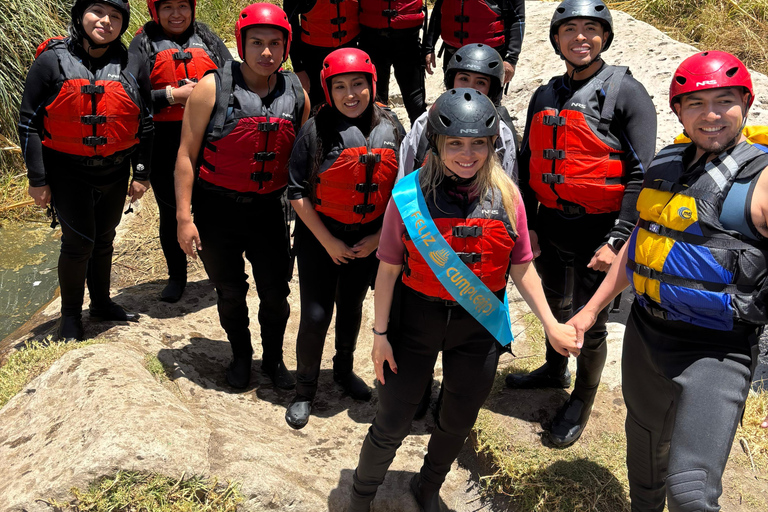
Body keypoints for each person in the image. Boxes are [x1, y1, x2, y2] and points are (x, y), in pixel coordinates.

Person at [347, 89, 580, 511]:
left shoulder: (508, 196)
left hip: (477, 329)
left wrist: (551, 323)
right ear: (436, 144)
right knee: (393, 419)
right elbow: (387, 270)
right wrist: (379, 335)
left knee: (458, 418)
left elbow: (522, 266)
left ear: (493, 145)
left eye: (478, 143)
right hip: (413, 321)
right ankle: (360, 496)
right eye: (455, 143)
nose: (467, 154)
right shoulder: (408, 196)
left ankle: (428, 485)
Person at [568, 50, 768, 512]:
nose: (712, 115)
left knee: (690, 494)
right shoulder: (667, 162)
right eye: (696, 103)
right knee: (644, 459)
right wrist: (591, 309)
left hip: (718, 352)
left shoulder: (760, 181)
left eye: (724, 101)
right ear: (677, 110)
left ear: (746, 103)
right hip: (646, 335)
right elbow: (642, 244)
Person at [506, 0, 657, 448]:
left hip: (602, 229)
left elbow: (641, 174)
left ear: (605, 37)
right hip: (552, 224)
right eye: (570, 29)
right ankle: (554, 370)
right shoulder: (545, 93)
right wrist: (531, 222)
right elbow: (531, 160)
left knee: (589, 324)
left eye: (591, 29)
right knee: (554, 304)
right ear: (556, 38)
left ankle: (582, 398)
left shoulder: (627, 92)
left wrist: (618, 239)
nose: (581, 38)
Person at [175, 3, 310, 390]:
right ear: (241, 44)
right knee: (230, 291)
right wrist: (184, 218)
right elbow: (186, 155)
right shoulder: (211, 87)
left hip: (269, 210)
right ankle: (240, 355)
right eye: (256, 43)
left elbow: (302, 159)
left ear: (285, 46)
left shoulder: (296, 92)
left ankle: (272, 359)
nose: (266, 52)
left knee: (276, 293)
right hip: (217, 209)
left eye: (274, 43)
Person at [18, 0, 153, 342]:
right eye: (98, 12)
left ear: (123, 25)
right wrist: (38, 180)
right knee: (78, 243)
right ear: (80, 16)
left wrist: (140, 173)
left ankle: (102, 303)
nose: (106, 21)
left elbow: (145, 121)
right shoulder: (52, 61)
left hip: (114, 169)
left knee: (104, 239)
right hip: (67, 171)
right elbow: (29, 123)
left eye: (116, 17)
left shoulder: (131, 62)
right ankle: (69, 317)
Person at [285, 48, 404, 429]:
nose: (350, 94)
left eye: (357, 84)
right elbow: (297, 192)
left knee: (352, 307)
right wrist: (328, 242)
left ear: (372, 84)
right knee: (317, 314)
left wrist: (376, 238)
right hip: (322, 237)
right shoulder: (314, 130)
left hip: (367, 240)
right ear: (328, 90)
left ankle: (342, 369)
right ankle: (304, 390)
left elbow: (401, 192)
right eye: (340, 87)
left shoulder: (392, 126)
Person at [129, 0, 230, 303]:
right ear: (155, 11)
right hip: (164, 141)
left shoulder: (208, 38)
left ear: (192, 8)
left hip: (208, 138)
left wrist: (203, 93)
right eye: (168, 7)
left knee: (212, 209)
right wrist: (172, 95)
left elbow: (232, 78)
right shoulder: (143, 43)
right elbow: (129, 92)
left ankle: (220, 273)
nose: (176, 14)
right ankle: (177, 277)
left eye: (183, 6)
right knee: (172, 211)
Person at [398, 43, 518, 181]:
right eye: (464, 79)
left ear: (492, 90)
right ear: (451, 81)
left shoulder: (501, 132)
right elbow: (404, 179)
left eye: (481, 83)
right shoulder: (425, 123)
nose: (470, 87)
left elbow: (509, 186)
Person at [356, 0, 427, 124]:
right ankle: (380, 140)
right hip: (372, 42)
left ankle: (421, 141)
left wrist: (429, 48)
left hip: (408, 43)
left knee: (416, 104)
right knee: (376, 103)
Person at [423, 0, 525, 84]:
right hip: (453, 54)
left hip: (489, 57)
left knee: (488, 103)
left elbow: (518, 19)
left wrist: (511, 59)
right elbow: (438, 11)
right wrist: (429, 48)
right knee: (453, 99)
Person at [283, 0, 360, 109]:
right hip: (314, 59)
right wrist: (298, 68)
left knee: (350, 102)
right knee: (318, 108)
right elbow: (290, 26)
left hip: (351, 53)